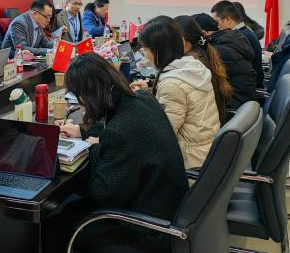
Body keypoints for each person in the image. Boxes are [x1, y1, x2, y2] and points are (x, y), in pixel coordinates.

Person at [53, 53, 188, 253]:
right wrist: (83, 132)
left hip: (147, 231)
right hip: (168, 209)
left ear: (88, 96)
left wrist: (90, 152)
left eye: (79, 99)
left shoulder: (120, 133)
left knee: (58, 222)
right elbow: (123, 130)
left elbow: (103, 194)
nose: (81, 106)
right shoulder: (143, 99)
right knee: (69, 210)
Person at [135, 16, 220, 168]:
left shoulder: (172, 85)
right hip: (204, 152)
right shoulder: (192, 66)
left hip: (189, 161)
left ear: (159, 50)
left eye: (145, 49)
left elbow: (160, 135)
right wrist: (149, 90)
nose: (145, 55)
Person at [174, 15, 233, 125]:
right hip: (214, 123)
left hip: (204, 128)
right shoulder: (204, 55)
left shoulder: (192, 66)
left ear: (182, 41)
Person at [192, 13, 257, 110]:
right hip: (240, 102)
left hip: (232, 107)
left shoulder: (220, 51)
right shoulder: (229, 41)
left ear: (203, 34)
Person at [211, 1, 264, 88]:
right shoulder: (244, 32)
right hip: (249, 82)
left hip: (250, 86)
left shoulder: (240, 37)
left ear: (228, 20)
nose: (217, 26)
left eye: (217, 22)